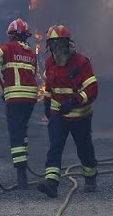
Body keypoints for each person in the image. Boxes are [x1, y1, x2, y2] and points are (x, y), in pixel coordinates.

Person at [36, 24, 99, 199]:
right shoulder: (49, 62)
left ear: (67, 43)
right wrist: (47, 104)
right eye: (53, 44)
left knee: (84, 148)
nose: (57, 48)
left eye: (59, 43)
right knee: (55, 147)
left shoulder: (81, 62)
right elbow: (49, 85)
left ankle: (90, 177)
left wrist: (74, 101)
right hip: (58, 114)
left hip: (80, 115)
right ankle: (52, 184)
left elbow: (92, 89)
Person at [0, 18, 38, 189]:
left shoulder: (7, 47)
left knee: (15, 135)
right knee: (22, 131)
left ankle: (21, 177)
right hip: (29, 100)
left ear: (11, 35)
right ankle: (25, 165)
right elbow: (28, 75)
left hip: (15, 100)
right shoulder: (31, 54)